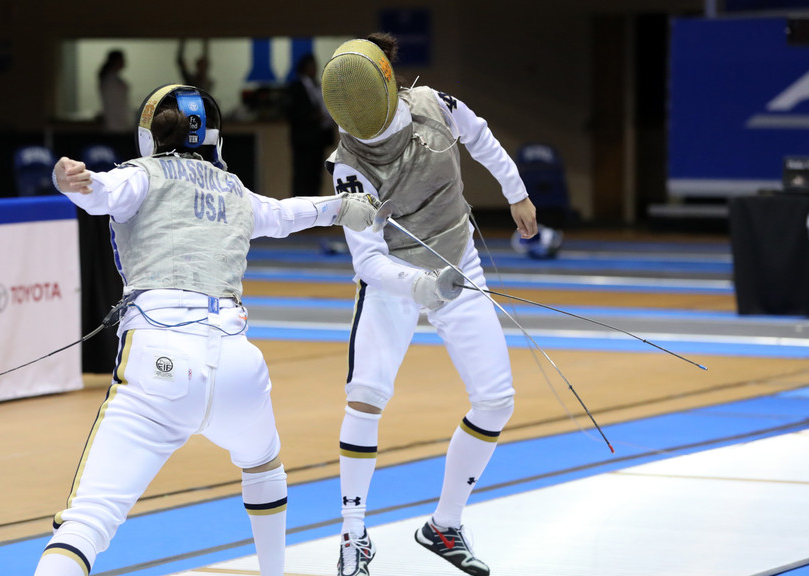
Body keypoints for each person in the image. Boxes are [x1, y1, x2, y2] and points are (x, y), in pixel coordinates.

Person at [33, 84, 380, 576]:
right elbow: (283, 215)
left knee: (86, 523)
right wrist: (341, 208)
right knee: (264, 467)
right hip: (239, 367)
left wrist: (69, 178)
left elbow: (100, 191)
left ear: (149, 134)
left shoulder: (140, 174)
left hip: (159, 365)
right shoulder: (233, 187)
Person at [320, 34, 540, 576]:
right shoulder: (349, 166)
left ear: (390, 84)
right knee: (365, 400)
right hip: (394, 283)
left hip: (457, 258)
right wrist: (421, 286)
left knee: (496, 400)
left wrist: (516, 192)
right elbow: (369, 263)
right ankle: (353, 540)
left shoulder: (436, 105)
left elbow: (483, 138)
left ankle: (444, 524)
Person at [286, 53, 335, 197]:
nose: (314, 69)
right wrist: (312, 116)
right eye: (311, 66)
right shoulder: (295, 87)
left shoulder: (317, 86)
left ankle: (314, 204)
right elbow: (292, 112)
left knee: (315, 176)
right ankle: (299, 205)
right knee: (302, 175)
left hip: (318, 139)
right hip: (303, 140)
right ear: (304, 68)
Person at [98, 49, 130, 132]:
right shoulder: (109, 81)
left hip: (119, 122)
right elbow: (114, 105)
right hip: (115, 124)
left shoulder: (113, 79)